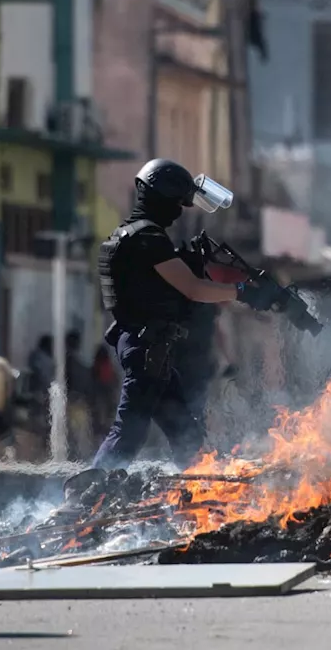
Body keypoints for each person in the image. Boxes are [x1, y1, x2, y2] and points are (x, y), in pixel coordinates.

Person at [91, 158, 278, 470]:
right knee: (129, 432)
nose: (180, 210)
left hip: (150, 348)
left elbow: (159, 287)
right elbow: (192, 288)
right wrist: (242, 292)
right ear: (162, 199)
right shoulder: (147, 238)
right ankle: (84, 497)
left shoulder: (127, 235)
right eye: (178, 202)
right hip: (145, 348)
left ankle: (205, 490)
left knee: (185, 433)